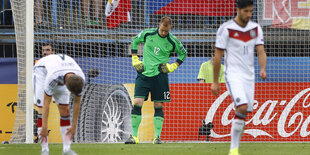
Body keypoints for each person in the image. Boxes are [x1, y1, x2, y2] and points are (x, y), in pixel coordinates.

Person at [210, 0, 267, 155]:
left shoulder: (255, 28)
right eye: (246, 11)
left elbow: (261, 51)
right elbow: (217, 56)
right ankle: (233, 150)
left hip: (249, 76)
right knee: (241, 106)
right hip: (232, 74)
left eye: (251, 11)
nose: (249, 15)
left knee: (243, 113)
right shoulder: (226, 29)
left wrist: (263, 69)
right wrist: (215, 81)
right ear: (238, 10)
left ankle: (235, 142)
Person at [125, 16, 187, 144]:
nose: (164, 33)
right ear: (159, 25)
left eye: (166, 31)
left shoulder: (173, 41)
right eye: (162, 30)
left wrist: (172, 66)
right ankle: (134, 137)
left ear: (170, 28)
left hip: (160, 76)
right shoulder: (148, 34)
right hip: (144, 73)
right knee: (137, 102)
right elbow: (134, 41)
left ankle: (157, 137)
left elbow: (183, 53)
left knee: (158, 105)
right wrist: (135, 59)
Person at [34, 54, 85, 155]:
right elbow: (46, 102)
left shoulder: (81, 79)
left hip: (61, 71)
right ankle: (45, 149)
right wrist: (44, 127)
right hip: (42, 72)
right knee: (41, 108)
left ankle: (67, 149)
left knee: (65, 109)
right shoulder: (52, 78)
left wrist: (74, 125)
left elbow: (77, 101)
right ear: (66, 85)